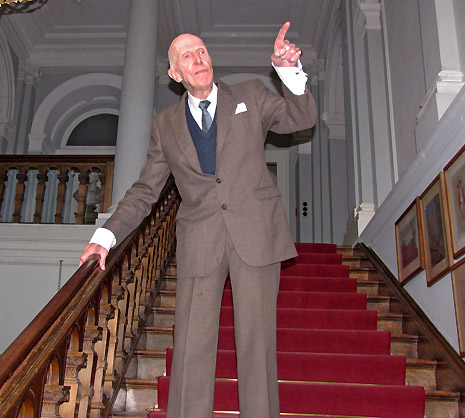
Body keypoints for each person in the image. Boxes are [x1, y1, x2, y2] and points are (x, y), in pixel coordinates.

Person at [80, 21, 317, 418]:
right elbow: (145, 190)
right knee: (192, 345)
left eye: (202, 51)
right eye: (187, 56)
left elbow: (301, 118)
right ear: (175, 74)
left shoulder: (252, 95)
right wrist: (105, 236)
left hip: (256, 233)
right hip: (200, 239)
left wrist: (289, 71)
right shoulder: (165, 125)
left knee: (256, 344)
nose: (198, 59)